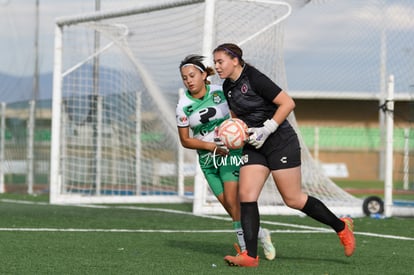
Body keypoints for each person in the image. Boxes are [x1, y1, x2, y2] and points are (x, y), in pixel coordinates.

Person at [212, 43, 356, 267]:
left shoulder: (255, 78)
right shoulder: (227, 86)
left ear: (235, 60)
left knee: (293, 199)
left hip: (280, 141)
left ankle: (341, 226)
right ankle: (250, 256)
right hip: (254, 145)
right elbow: (236, 115)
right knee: (246, 195)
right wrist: (228, 132)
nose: (217, 66)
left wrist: (267, 128)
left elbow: (288, 103)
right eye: (215, 62)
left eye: (220, 61)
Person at [175, 54, 276, 261]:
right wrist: (210, 146)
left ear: (204, 75)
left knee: (233, 199)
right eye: (185, 78)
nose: (189, 80)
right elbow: (185, 140)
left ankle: (244, 250)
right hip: (207, 159)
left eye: (192, 75)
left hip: (230, 154)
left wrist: (237, 134)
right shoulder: (183, 105)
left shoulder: (220, 91)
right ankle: (259, 234)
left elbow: (236, 116)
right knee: (230, 207)